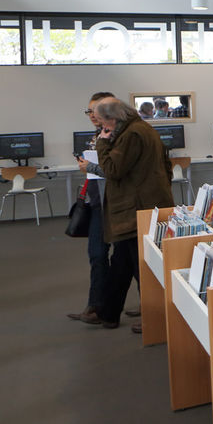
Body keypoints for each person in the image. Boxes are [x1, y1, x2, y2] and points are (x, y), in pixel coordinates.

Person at [92, 97, 175, 330]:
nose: (102, 128)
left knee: (142, 267)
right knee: (122, 262)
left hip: (136, 209)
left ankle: (156, 319)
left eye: (102, 123)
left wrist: (102, 143)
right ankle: (108, 313)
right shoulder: (142, 129)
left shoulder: (131, 135)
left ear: (113, 118)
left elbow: (113, 169)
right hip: (144, 205)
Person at [68, 91, 115, 325]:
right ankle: (96, 306)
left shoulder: (116, 137)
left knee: (127, 258)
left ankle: (101, 307)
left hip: (115, 204)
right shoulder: (98, 136)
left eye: (94, 111)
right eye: (89, 111)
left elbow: (117, 170)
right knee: (97, 255)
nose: (91, 115)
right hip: (98, 203)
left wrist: (91, 168)